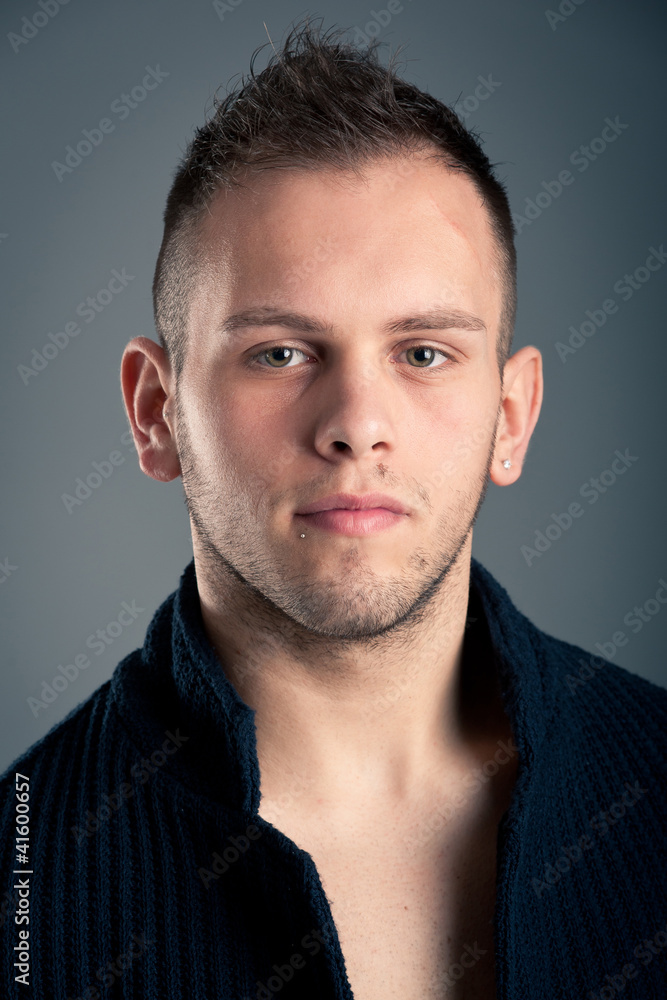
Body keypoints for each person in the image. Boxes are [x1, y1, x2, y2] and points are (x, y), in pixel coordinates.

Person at [1, 18, 666, 1000]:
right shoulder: (22, 886)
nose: (356, 424)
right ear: (157, 412)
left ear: (510, 418)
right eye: (280, 353)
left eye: (423, 353)